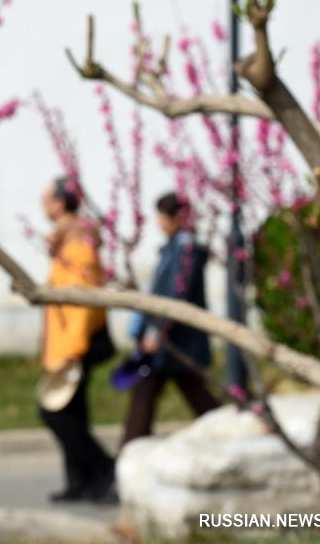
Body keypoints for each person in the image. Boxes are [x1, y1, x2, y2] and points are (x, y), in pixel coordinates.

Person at [120, 192, 221, 447]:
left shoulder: (185, 250)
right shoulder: (175, 247)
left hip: (174, 340)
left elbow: (176, 293)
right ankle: (130, 449)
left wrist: (156, 332)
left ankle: (129, 451)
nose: (159, 222)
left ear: (174, 217)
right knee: (163, 393)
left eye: (162, 216)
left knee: (183, 394)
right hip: (171, 341)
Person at [39, 176, 117, 503]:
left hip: (76, 345)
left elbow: (81, 303)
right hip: (66, 344)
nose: (43, 205)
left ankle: (106, 470)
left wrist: (73, 349)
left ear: (60, 203)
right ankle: (80, 483)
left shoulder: (78, 245)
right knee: (74, 412)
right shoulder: (67, 241)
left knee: (55, 413)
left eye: (46, 199)